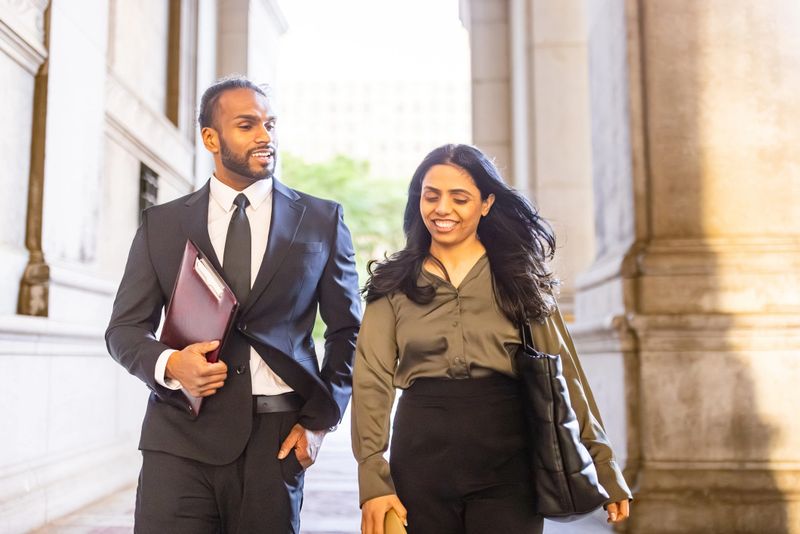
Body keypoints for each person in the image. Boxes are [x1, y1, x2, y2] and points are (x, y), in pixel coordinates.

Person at [106, 76, 361, 533]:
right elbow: (123, 330)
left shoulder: (322, 220)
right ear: (210, 137)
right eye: (248, 125)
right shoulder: (162, 224)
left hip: (276, 441)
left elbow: (348, 333)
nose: (266, 136)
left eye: (270, 124)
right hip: (178, 436)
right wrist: (170, 363)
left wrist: (320, 421)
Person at [351, 144, 632, 534]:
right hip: (419, 458)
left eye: (459, 198)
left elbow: (564, 374)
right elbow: (371, 381)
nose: (441, 209)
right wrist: (373, 478)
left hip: (510, 462)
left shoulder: (520, 278)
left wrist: (603, 463)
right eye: (430, 196)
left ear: (486, 203)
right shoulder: (392, 283)